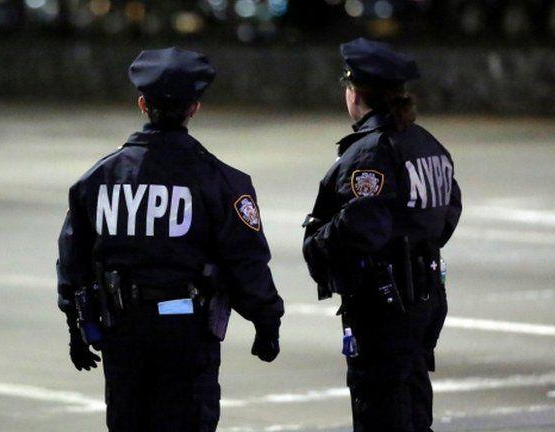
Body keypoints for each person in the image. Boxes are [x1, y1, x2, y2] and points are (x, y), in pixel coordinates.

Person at [56, 47, 284, 432]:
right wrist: (266, 321)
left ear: (141, 103)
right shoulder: (221, 181)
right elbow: (245, 259)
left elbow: (73, 259)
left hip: (123, 331)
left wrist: (75, 325)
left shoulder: (98, 180)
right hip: (187, 334)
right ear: (194, 108)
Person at [302, 38, 462, 432]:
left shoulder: (371, 152)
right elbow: (449, 212)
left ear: (355, 93)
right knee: (412, 401)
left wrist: (317, 241)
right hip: (423, 297)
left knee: (381, 409)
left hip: (385, 304)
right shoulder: (427, 145)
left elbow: (362, 225)